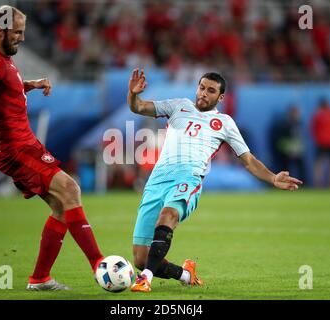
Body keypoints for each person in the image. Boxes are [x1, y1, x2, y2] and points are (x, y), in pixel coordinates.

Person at [127, 68, 303, 293]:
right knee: (141, 258)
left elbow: (248, 160)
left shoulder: (225, 122)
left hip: (188, 179)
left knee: (168, 215)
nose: (203, 93)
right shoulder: (178, 106)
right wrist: (133, 94)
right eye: (201, 87)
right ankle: (185, 274)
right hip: (157, 180)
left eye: (210, 91)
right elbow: (139, 106)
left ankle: (145, 279)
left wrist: (272, 178)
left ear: (220, 97)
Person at [0, 6, 104, 291]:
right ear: (1, 30)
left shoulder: (5, 61)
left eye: (22, 32)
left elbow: (3, 91)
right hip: (17, 150)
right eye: (17, 32)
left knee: (60, 206)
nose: (21, 37)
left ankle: (40, 278)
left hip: (27, 145)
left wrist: (29, 85)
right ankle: (101, 266)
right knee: (70, 189)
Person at [311, 98, 330, 187]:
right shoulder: (319, 115)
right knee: (320, 163)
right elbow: (313, 128)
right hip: (322, 142)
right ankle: (319, 182)